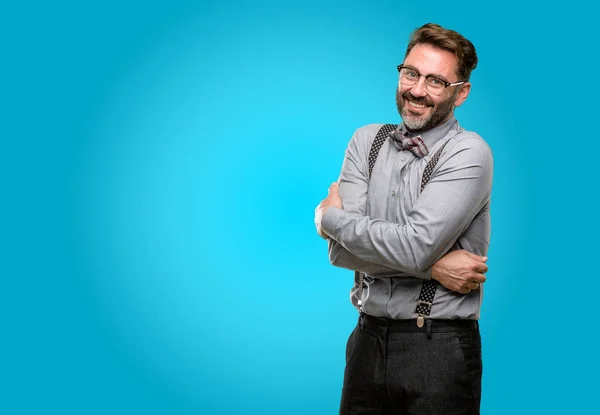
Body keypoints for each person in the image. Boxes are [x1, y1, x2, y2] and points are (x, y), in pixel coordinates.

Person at [314, 23, 493, 414]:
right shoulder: (366, 140)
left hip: (437, 348)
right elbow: (339, 254)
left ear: (460, 93)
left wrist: (329, 219)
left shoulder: (469, 152)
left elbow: (414, 247)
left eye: (435, 81)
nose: (416, 90)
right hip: (365, 339)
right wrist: (435, 269)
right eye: (410, 73)